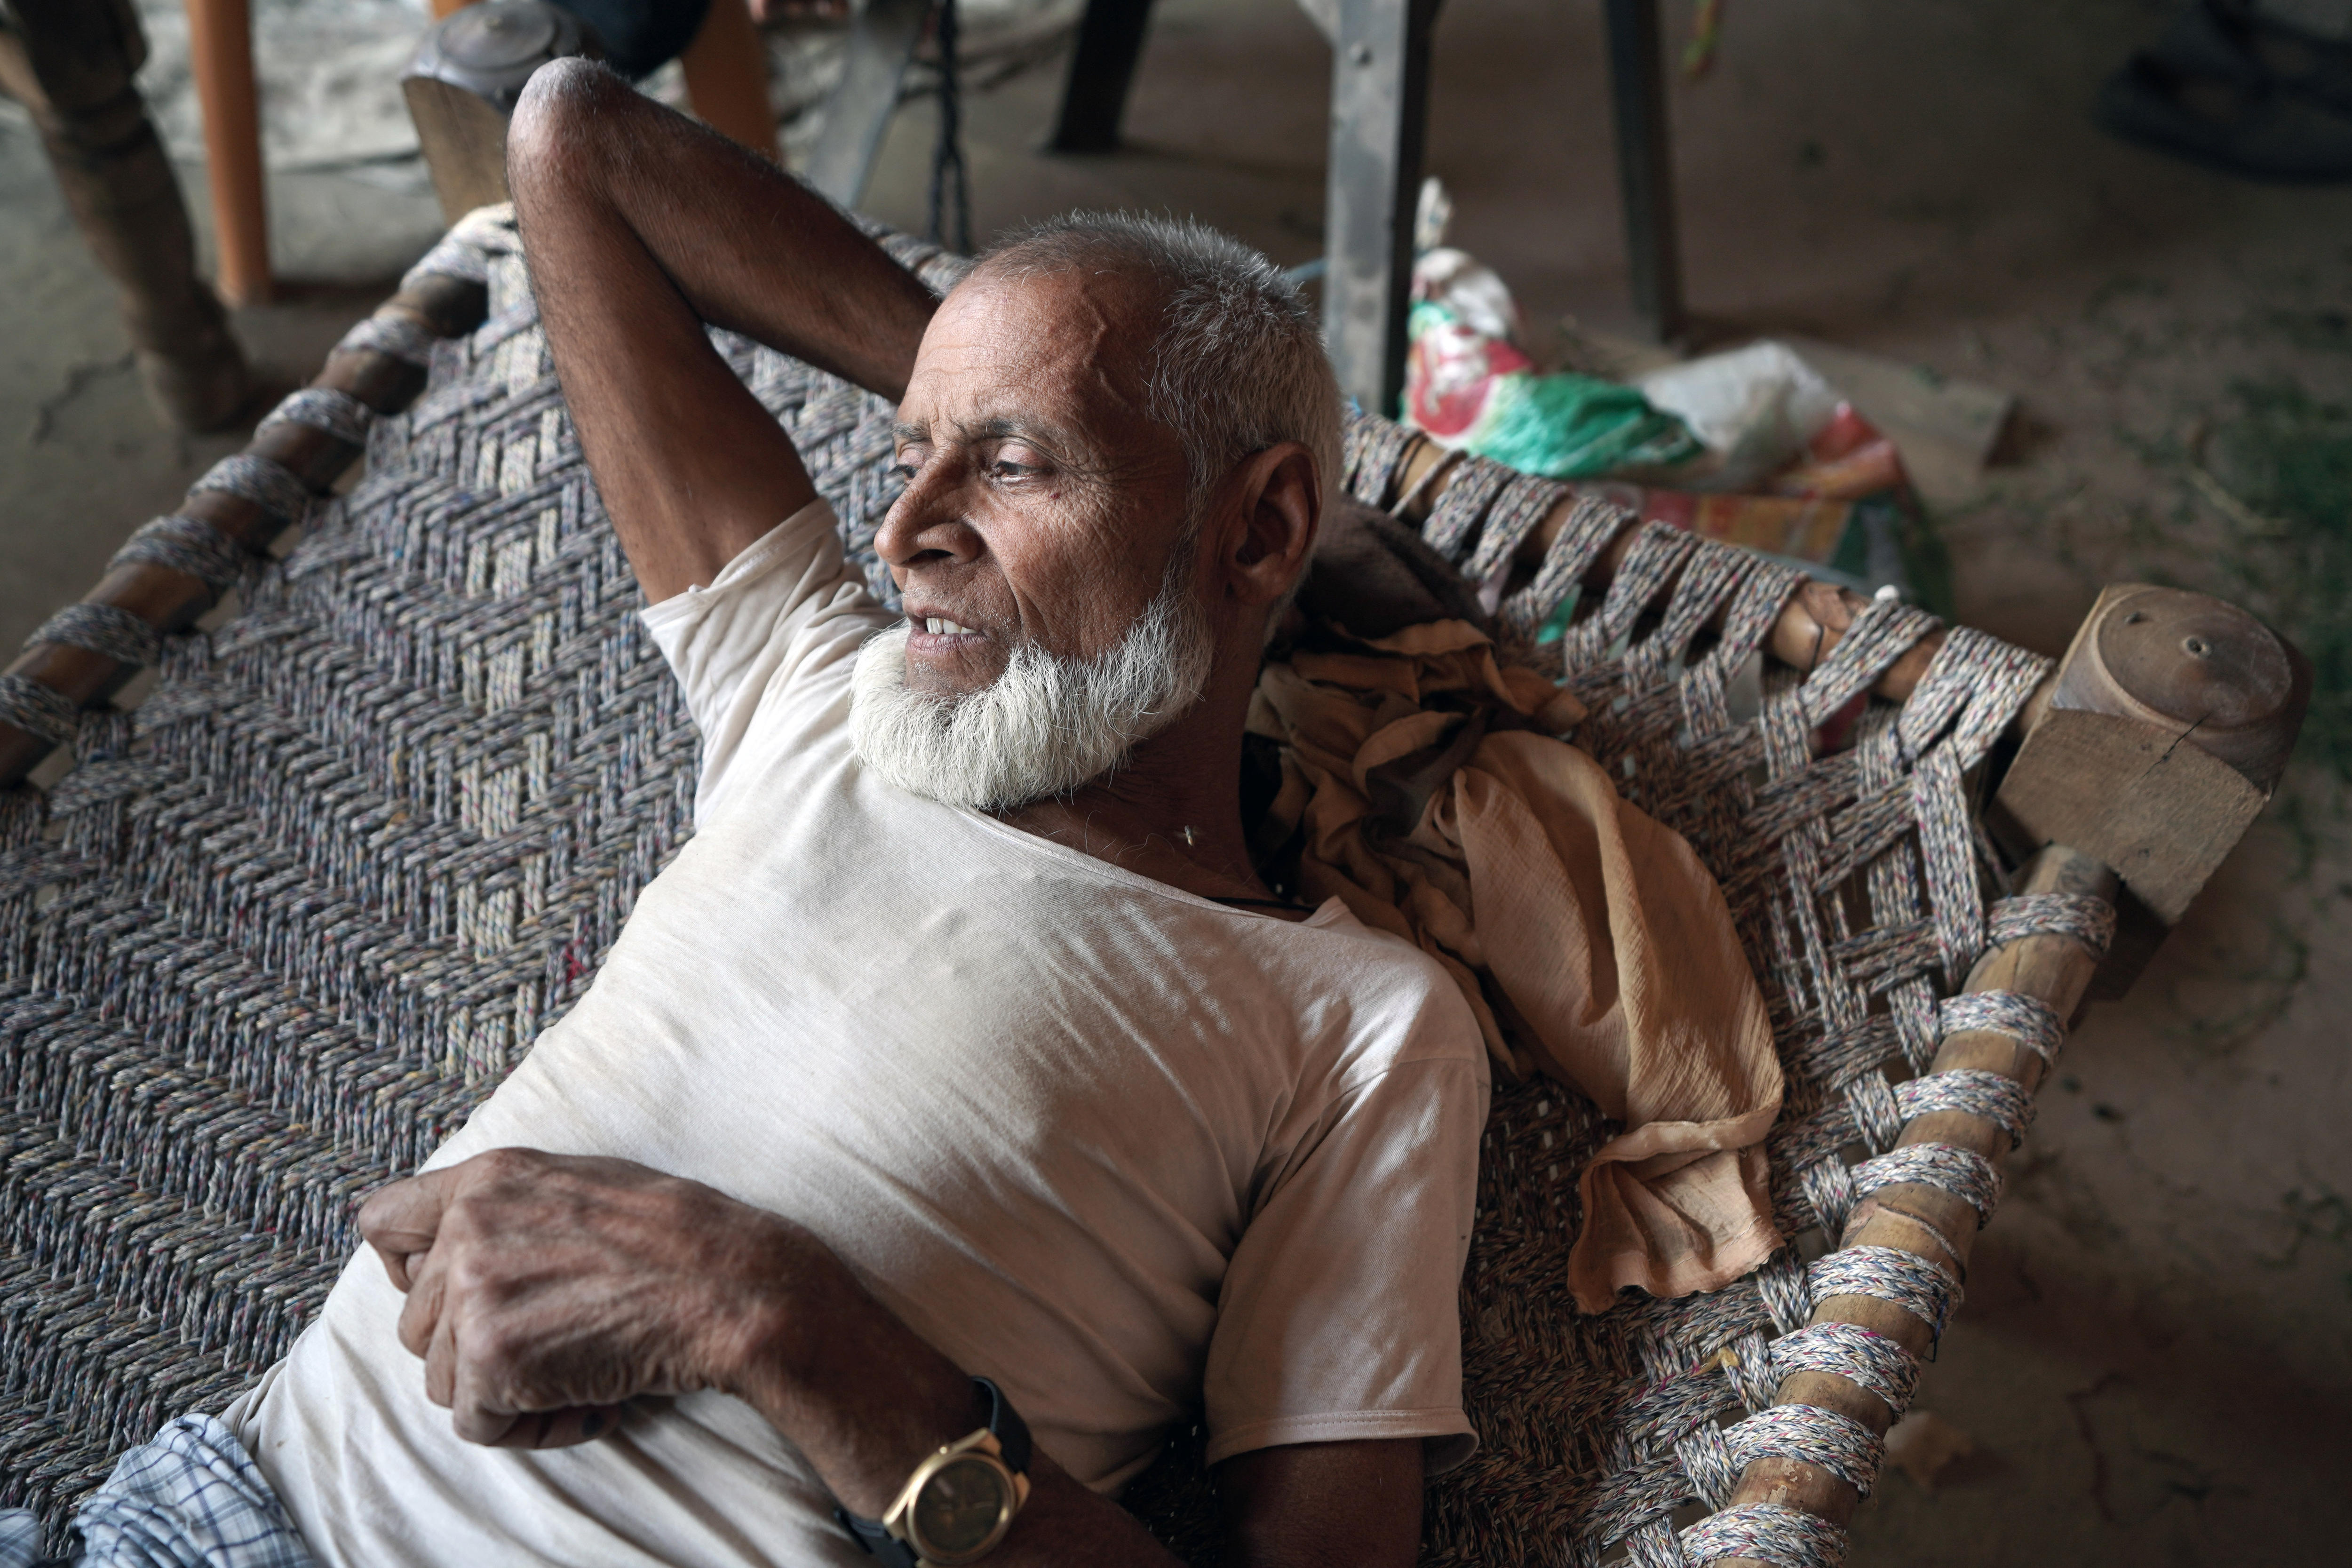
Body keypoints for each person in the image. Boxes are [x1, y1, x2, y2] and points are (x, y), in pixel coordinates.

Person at [30, 54, 1485, 1568]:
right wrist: (1009, 385)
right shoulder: (821, 688)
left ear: (1259, 528)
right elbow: (572, 142)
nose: (907, 531)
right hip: (206, 1523)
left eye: (1010, 466)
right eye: (913, 451)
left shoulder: (1359, 1025)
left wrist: (766, 1313)